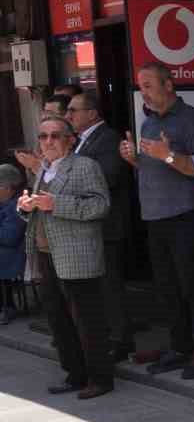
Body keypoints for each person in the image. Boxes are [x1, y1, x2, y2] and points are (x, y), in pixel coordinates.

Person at [118, 63, 194, 380]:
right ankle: (180, 347)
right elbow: (154, 167)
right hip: (155, 214)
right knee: (167, 287)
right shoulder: (148, 123)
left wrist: (168, 155)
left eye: (148, 85)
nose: (143, 92)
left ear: (169, 85)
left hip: (185, 213)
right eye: (140, 86)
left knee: (192, 284)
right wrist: (135, 160)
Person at [20, 116, 113, 400]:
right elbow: (40, 210)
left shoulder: (85, 166)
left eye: (55, 136)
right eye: (43, 136)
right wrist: (26, 207)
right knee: (59, 321)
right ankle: (75, 374)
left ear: (70, 140)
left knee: (88, 321)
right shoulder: (44, 169)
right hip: (47, 255)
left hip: (77, 255)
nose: (48, 142)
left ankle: (100, 378)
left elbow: (100, 205)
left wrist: (56, 204)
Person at [66, 90, 133, 360]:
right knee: (96, 287)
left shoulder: (107, 139)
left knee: (110, 286)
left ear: (92, 113)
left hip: (107, 225)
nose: (68, 115)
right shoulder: (79, 141)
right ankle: (103, 336)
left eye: (73, 110)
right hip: (86, 226)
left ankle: (121, 340)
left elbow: (107, 178)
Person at [0, 165, 23, 323]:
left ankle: (6, 307)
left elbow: (10, 237)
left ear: (8, 188)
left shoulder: (16, 207)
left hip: (13, 253)